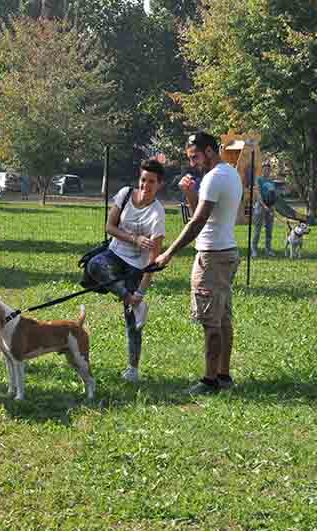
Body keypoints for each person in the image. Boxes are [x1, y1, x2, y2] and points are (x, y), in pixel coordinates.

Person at [154, 131, 242, 395]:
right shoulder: (230, 174)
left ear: (210, 151)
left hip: (212, 256)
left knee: (211, 322)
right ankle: (223, 376)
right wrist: (191, 193)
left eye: (195, 157)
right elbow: (201, 215)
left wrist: (169, 253)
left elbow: (198, 222)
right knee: (222, 317)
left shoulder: (214, 178)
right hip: (226, 252)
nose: (192, 163)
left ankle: (210, 380)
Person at [85, 160, 166, 383]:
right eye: (143, 180)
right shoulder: (125, 194)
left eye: (151, 182)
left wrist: (141, 291)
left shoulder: (157, 213)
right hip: (115, 253)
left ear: (160, 184)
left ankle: (133, 369)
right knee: (94, 265)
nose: (145, 185)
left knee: (132, 321)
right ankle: (131, 301)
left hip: (137, 266)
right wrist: (134, 239)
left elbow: (154, 259)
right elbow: (109, 227)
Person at [251, 162, 277, 257]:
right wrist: (264, 205)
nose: (267, 171)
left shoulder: (272, 181)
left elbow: (273, 195)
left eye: (268, 169)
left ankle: (268, 249)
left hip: (270, 207)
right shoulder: (259, 179)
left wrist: (272, 207)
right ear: (262, 170)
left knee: (269, 229)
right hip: (260, 206)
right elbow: (257, 193)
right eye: (265, 169)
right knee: (257, 229)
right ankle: (254, 250)